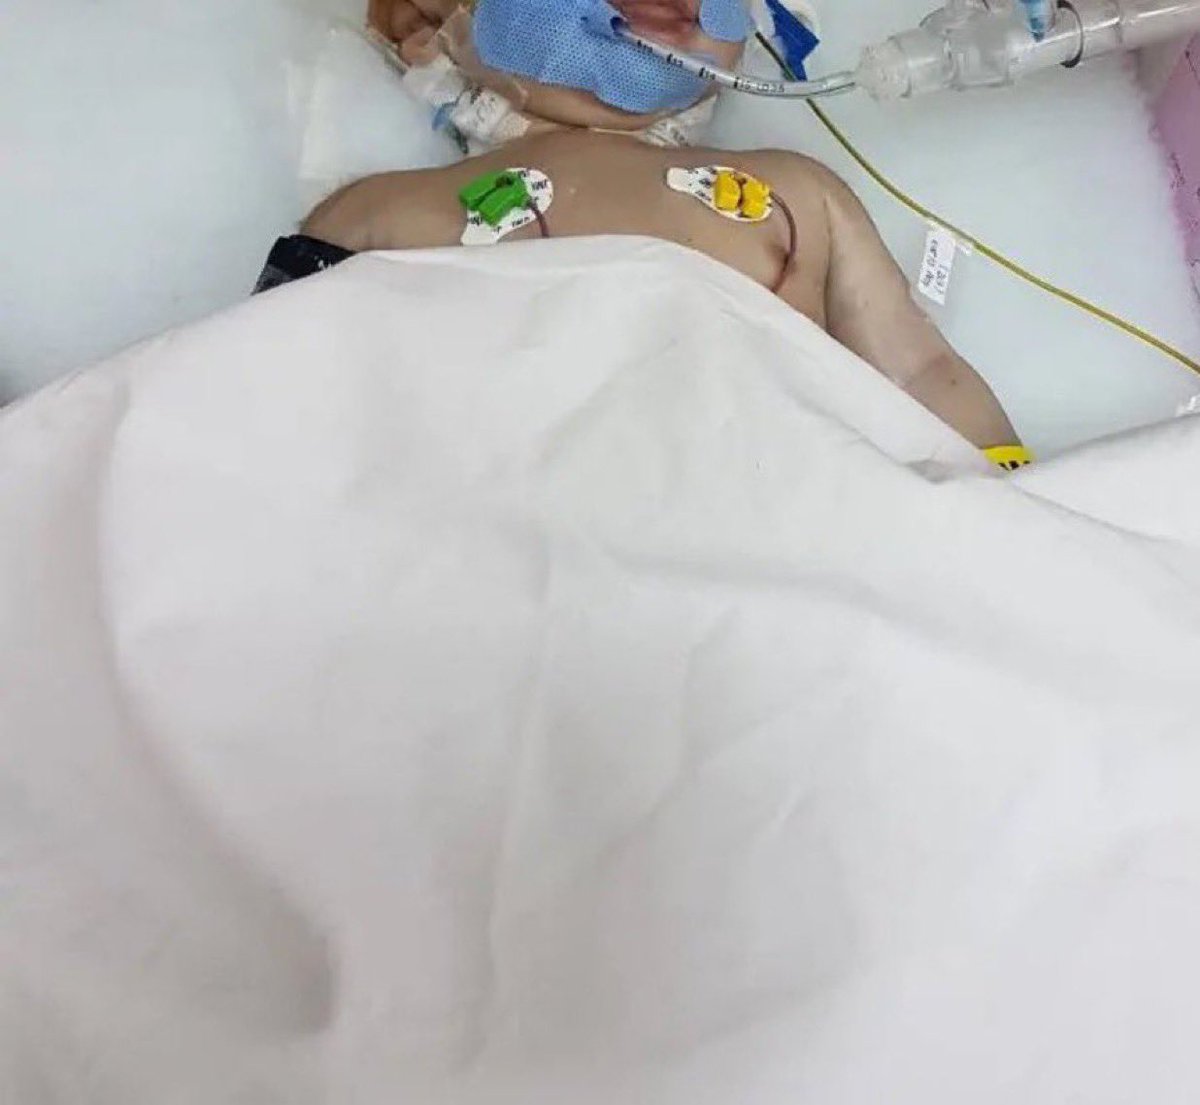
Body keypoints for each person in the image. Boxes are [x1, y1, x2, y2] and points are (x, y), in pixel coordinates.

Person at [263, 0, 1025, 458]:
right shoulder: (383, 215)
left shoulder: (798, 194)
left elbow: (923, 373)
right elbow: (259, 408)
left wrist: (1014, 507)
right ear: (427, 27)